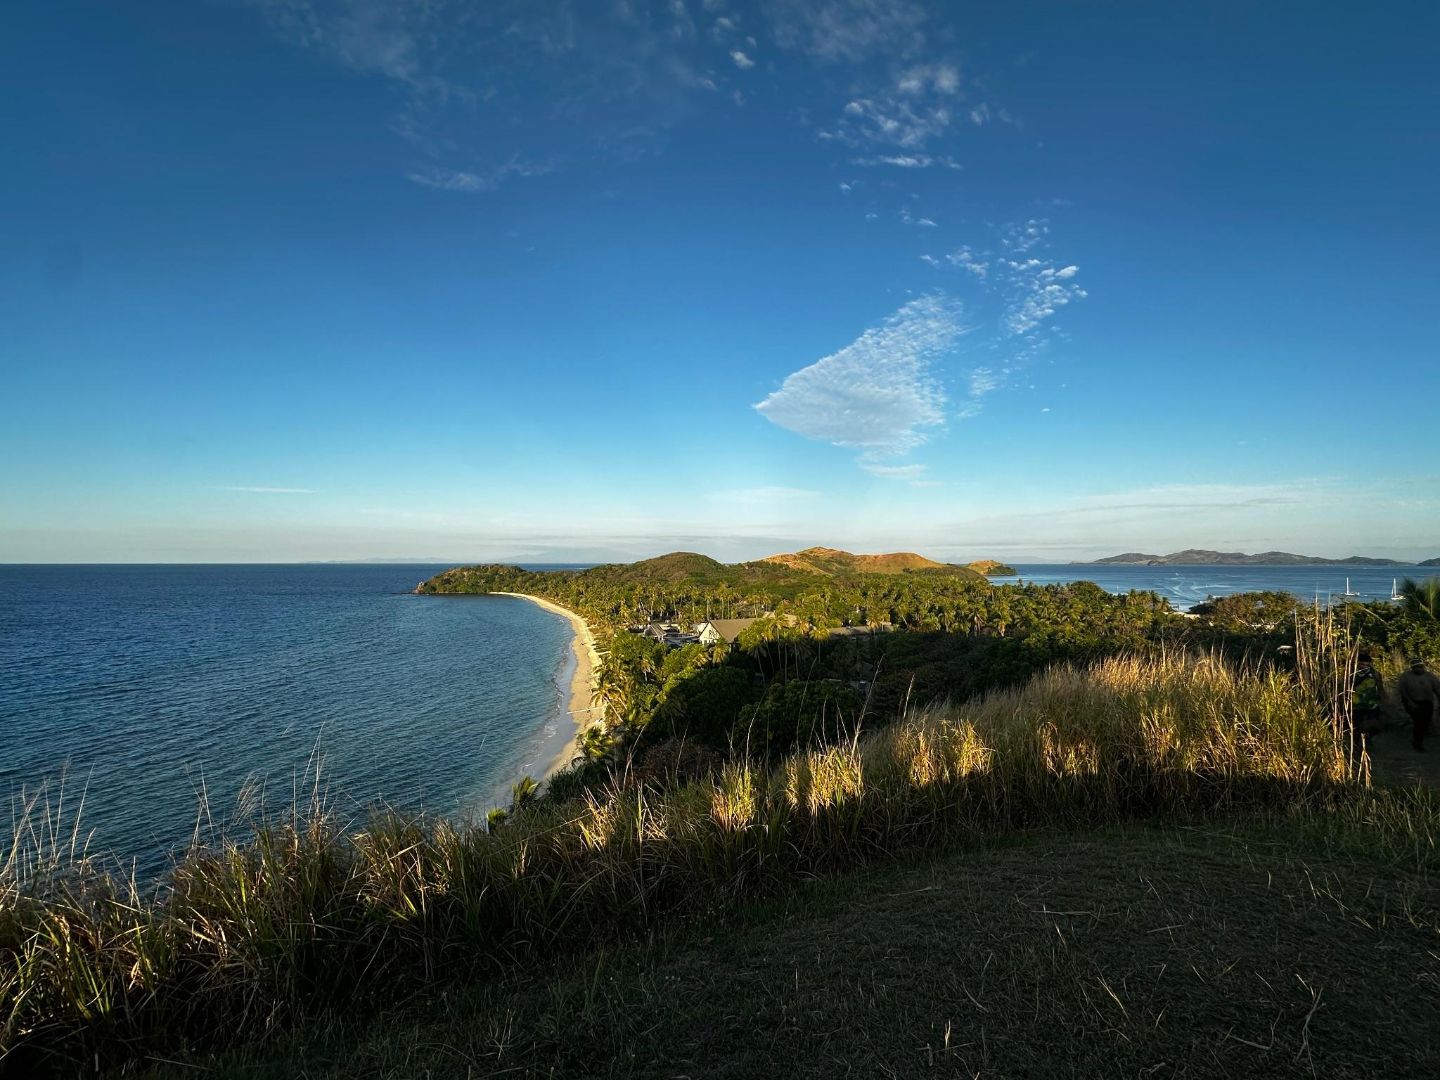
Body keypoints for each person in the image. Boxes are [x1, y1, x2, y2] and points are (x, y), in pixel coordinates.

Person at [1397, 656, 1440, 753]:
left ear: (1423, 666)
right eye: (1416, 667)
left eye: (1420, 666)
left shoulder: (1430, 676)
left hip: (1427, 702)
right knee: (1419, 722)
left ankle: (1419, 738)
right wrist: (1410, 703)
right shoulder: (1405, 676)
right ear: (1412, 668)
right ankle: (1417, 743)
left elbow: (1437, 689)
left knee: (1425, 722)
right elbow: (1403, 691)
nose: (1419, 669)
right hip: (1412, 702)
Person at [1351, 650, 1385, 745]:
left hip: (1372, 704)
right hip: (1357, 704)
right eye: (1361, 663)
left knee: (1375, 725)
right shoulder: (1351, 674)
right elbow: (1346, 689)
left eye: (1366, 663)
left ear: (1370, 663)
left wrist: (1384, 699)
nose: (1363, 666)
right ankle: (1356, 745)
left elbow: (1380, 687)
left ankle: (1368, 738)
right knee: (1357, 726)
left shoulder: (1375, 674)